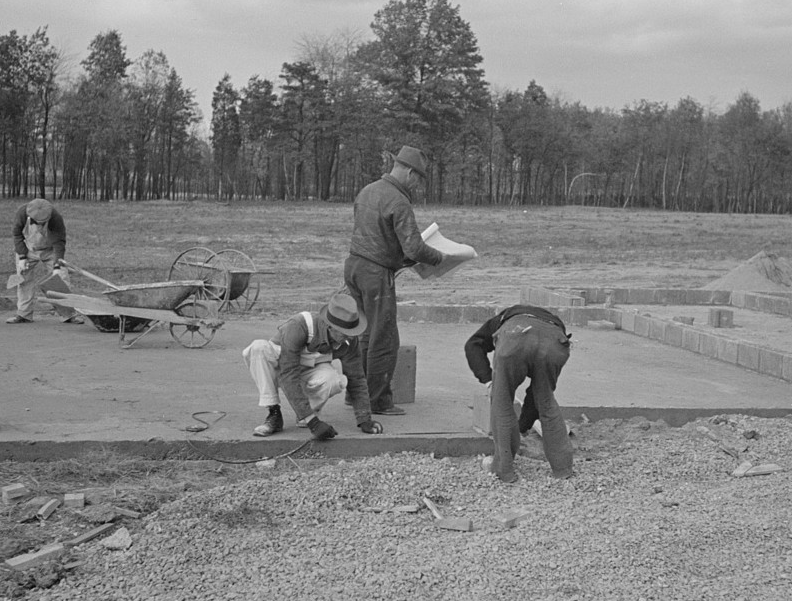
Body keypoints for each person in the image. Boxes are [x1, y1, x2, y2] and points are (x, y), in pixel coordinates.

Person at [344, 145, 461, 415]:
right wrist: (440, 258)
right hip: (375, 275)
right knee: (384, 339)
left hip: (354, 268)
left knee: (362, 334)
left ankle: (355, 395)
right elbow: (414, 249)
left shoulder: (367, 191)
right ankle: (378, 401)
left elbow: (373, 233)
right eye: (418, 179)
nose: (418, 185)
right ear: (409, 172)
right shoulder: (399, 200)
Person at [242, 294, 383, 440]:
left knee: (334, 380)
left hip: (309, 369)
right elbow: (288, 374)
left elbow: (357, 378)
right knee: (258, 348)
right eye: (346, 333)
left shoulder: (348, 341)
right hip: (281, 368)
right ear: (329, 327)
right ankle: (274, 414)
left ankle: (306, 414)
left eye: (352, 333)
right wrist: (314, 423)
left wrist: (364, 419)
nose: (351, 337)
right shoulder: (299, 326)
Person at [464, 305, 574, 483]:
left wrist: (488, 379)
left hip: (515, 337)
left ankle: (504, 469)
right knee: (546, 402)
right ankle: (562, 469)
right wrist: (523, 425)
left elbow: (472, 345)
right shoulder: (552, 320)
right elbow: (534, 398)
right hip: (554, 344)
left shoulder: (501, 320)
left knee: (502, 402)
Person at [7, 198, 78, 324]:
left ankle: (68, 314)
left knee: (62, 278)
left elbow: (59, 243)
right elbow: (17, 235)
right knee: (23, 280)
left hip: (50, 250)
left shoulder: (56, 217)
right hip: (28, 249)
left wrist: (57, 266)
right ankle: (24, 314)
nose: (40, 225)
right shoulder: (22, 213)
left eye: (43, 222)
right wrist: (22, 257)